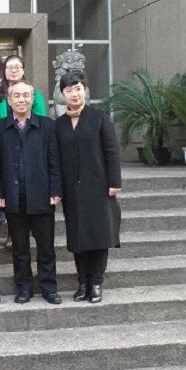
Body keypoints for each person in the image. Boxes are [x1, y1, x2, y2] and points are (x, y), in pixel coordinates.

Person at [0, 81, 62, 305]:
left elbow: (54, 162)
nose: (21, 99)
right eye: (17, 96)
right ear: (9, 100)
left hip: (42, 195)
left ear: (32, 99)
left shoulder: (47, 126)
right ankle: (24, 288)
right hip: (13, 196)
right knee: (19, 248)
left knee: (46, 247)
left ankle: (49, 288)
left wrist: (56, 189)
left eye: (26, 95)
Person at [55, 72, 122, 304]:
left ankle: (96, 283)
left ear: (85, 91)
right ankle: (82, 283)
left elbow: (112, 151)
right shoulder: (59, 124)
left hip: (99, 187)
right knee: (78, 238)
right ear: (62, 94)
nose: (74, 94)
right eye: (69, 90)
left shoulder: (99, 118)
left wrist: (114, 182)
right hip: (72, 190)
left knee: (99, 235)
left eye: (78, 89)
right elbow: (56, 159)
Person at [0, 55, 49, 240]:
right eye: (9, 67)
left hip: (30, 144)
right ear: (4, 71)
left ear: (23, 70)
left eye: (17, 67)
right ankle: (13, 234)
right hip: (6, 143)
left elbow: (40, 121)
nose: (14, 70)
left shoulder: (35, 94)